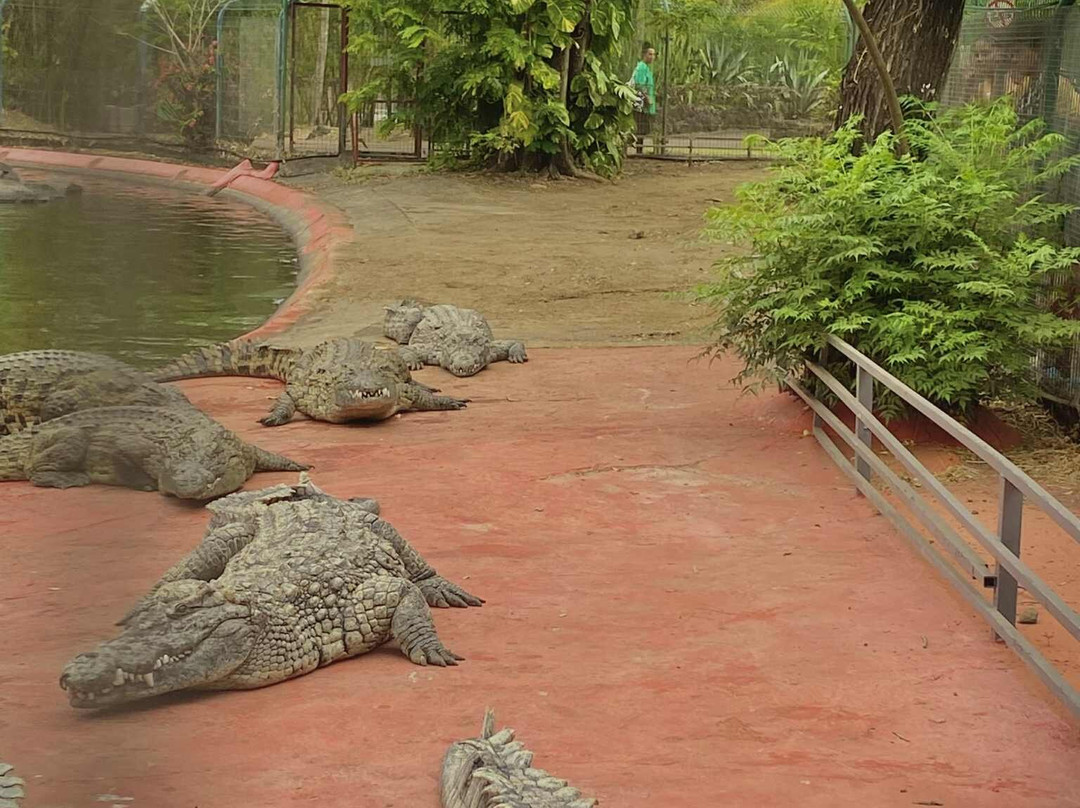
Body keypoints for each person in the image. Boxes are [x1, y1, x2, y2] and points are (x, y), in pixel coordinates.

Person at [631, 45, 657, 155]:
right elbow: (640, 85)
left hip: (645, 104)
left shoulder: (647, 68)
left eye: (653, 54)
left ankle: (639, 150)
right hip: (641, 103)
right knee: (640, 127)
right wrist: (647, 98)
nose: (652, 57)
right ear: (644, 55)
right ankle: (638, 151)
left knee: (643, 128)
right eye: (649, 54)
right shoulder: (641, 67)